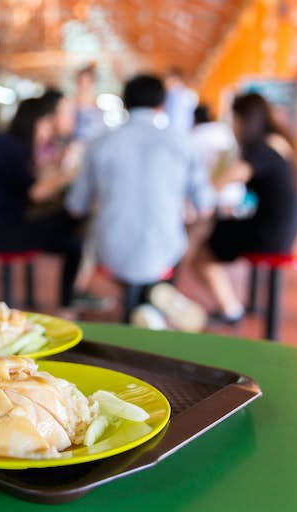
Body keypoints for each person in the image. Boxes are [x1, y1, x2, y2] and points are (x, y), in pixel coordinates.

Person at [67, 74, 214, 330]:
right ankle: (155, 302)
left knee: (91, 235)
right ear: (161, 104)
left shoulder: (100, 142)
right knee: (178, 238)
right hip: (167, 249)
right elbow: (205, 204)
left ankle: (140, 307)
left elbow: (76, 205)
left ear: (124, 103)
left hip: (112, 252)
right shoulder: (183, 141)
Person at [0, 96, 83, 309]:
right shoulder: (10, 148)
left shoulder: (6, 144)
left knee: (70, 232)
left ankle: (70, 299)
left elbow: (31, 182)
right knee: (73, 234)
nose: (48, 132)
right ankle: (68, 305)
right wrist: (72, 173)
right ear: (35, 122)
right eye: (47, 124)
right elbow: (35, 192)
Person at [196, 92, 297, 323]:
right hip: (284, 229)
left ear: (242, 119)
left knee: (202, 251)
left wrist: (205, 190)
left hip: (271, 234)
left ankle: (230, 310)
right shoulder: (279, 142)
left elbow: (230, 177)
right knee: (217, 228)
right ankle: (230, 308)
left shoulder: (264, 148)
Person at [73, 63, 107, 142]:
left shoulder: (98, 107)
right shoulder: (71, 104)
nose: (84, 85)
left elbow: (101, 131)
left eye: (87, 82)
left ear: (92, 83)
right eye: (81, 81)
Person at [164, 68, 198, 133]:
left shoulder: (189, 94)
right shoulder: (167, 94)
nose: (167, 81)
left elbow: (192, 114)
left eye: (169, 78)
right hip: (170, 129)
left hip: (183, 129)